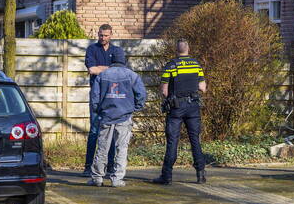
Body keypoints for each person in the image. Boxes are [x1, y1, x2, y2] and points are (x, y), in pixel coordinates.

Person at [152, 39, 207, 185]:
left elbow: (164, 90)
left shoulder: (171, 65)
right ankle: (200, 175)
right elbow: (203, 88)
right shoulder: (196, 65)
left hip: (176, 107)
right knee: (195, 140)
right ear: (188, 49)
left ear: (176, 50)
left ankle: (167, 176)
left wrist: (170, 96)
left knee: (172, 141)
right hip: (193, 106)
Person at [88, 56, 146, 187]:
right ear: (124, 62)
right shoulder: (132, 75)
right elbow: (141, 95)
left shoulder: (102, 75)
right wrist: (134, 108)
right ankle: (117, 179)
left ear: (112, 62)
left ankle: (97, 178)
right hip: (124, 116)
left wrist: (99, 110)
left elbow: (94, 96)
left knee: (102, 147)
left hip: (106, 116)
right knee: (122, 148)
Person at [84, 24, 125, 177]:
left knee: (112, 132)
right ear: (98, 34)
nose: (103, 38)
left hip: (112, 96)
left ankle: (110, 167)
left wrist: (101, 68)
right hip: (96, 96)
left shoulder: (117, 51)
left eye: (106, 35)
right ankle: (88, 166)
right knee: (94, 131)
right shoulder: (92, 49)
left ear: (111, 35)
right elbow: (91, 69)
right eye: (101, 35)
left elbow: (120, 70)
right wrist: (110, 68)